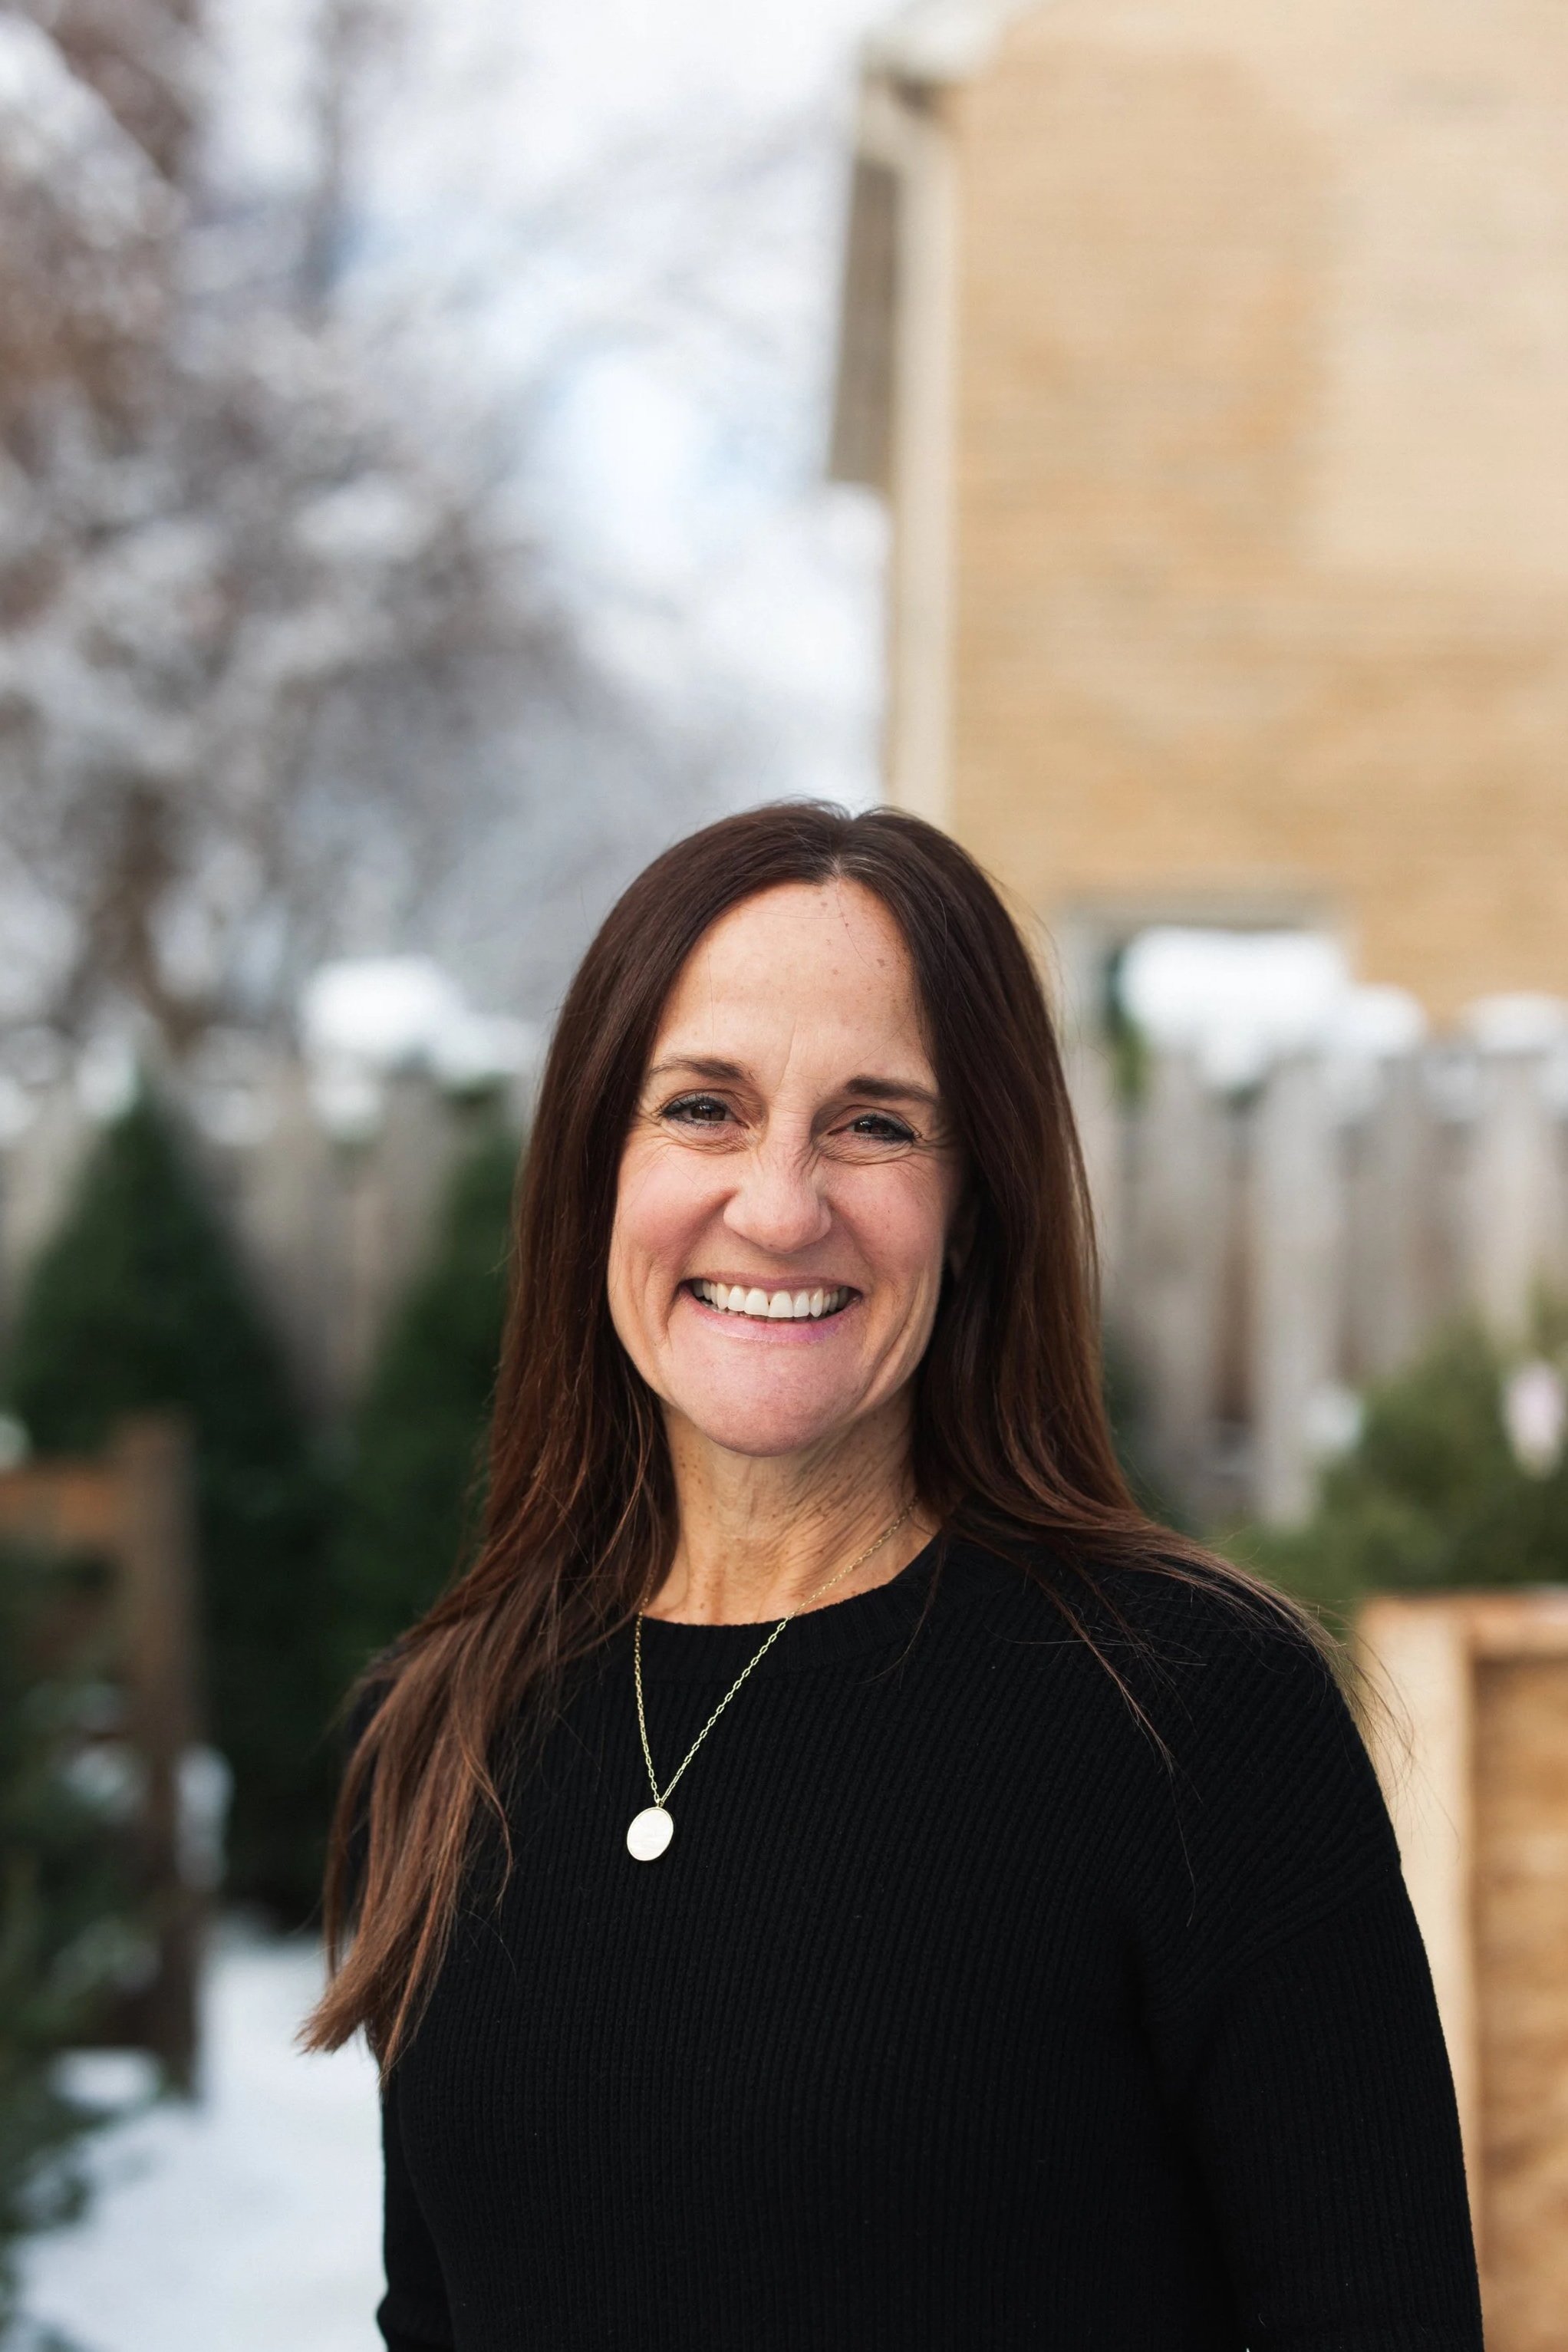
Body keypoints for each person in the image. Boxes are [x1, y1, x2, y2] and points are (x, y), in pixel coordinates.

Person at [305, 802, 1483, 2350]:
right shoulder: (444, 1726)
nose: (779, 1206)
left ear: (975, 1203)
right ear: (594, 1169)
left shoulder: (1190, 1711)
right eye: (703, 1108)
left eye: (873, 1124)